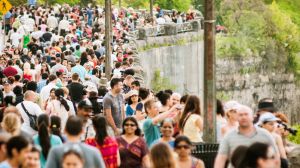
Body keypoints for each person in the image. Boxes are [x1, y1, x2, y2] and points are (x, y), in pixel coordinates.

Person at [214, 104, 280, 168]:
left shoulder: (264, 134)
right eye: (240, 115)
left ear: (252, 117)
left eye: (246, 114)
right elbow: (221, 157)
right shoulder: (229, 136)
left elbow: (276, 156)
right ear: (237, 117)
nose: (243, 117)